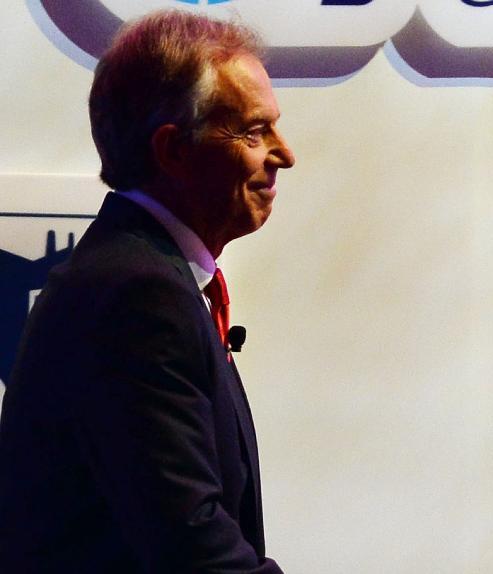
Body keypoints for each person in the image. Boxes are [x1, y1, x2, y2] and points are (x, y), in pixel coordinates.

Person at [0, 10, 294, 573]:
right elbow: (190, 545)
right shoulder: (137, 295)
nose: (284, 154)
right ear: (173, 150)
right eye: (255, 131)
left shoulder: (144, 273)